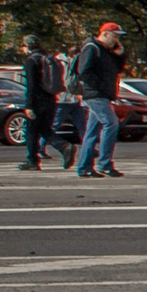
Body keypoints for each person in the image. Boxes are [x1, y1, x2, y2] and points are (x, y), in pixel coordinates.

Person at [69, 22, 126, 179]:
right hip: (95, 94)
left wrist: (119, 54)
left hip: (103, 94)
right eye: (115, 36)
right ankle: (104, 164)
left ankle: (84, 167)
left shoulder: (107, 51)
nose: (116, 40)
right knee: (111, 123)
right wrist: (100, 86)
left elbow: (118, 69)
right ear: (105, 34)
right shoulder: (91, 48)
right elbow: (84, 72)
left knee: (92, 132)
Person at [18, 33, 62, 171]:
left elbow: (31, 85)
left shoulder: (31, 61)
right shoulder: (48, 58)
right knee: (44, 129)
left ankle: (32, 160)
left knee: (31, 131)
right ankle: (64, 146)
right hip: (51, 98)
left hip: (37, 101)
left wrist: (29, 105)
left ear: (28, 46)